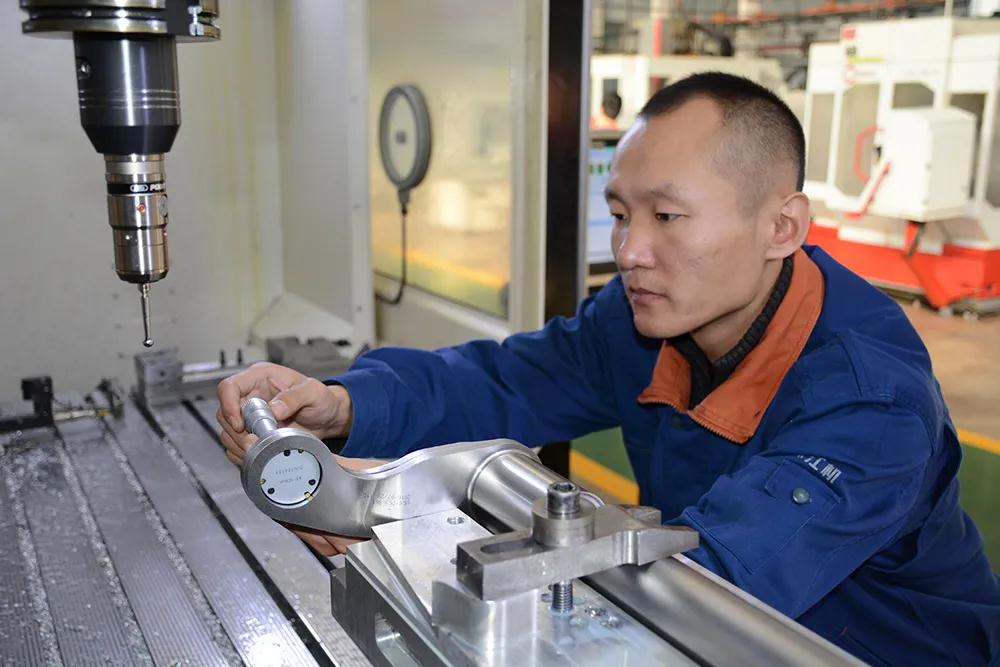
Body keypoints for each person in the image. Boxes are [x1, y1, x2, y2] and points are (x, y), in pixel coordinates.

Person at [218, 73, 1000, 665]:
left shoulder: (871, 401)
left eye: (667, 216)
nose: (629, 251)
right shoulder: (642, 319)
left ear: (781, 227)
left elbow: (713, 583)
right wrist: (345, 404)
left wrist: (406, 523)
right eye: (621, 214)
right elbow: (505, 379)